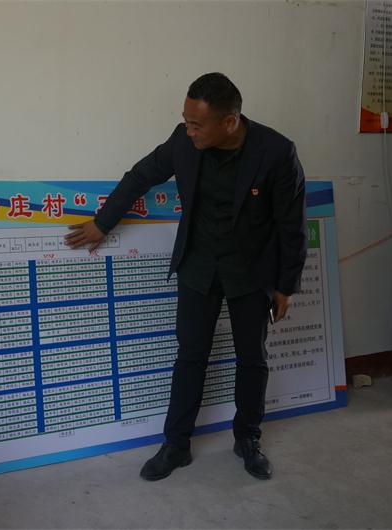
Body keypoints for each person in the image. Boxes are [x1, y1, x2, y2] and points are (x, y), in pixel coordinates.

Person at [64, 72, 306, 481]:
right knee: (191, 356)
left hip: (250, 272)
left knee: (252, 358)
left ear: (229, 121)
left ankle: (248, 438)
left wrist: (286, 286)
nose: (189, 131)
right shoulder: (183, 142)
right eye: (186, 121)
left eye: (197, 125)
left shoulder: (276, 152)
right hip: (199, 265)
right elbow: (140, 176)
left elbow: (291, 224)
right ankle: (176, 444)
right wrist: (103, 223)